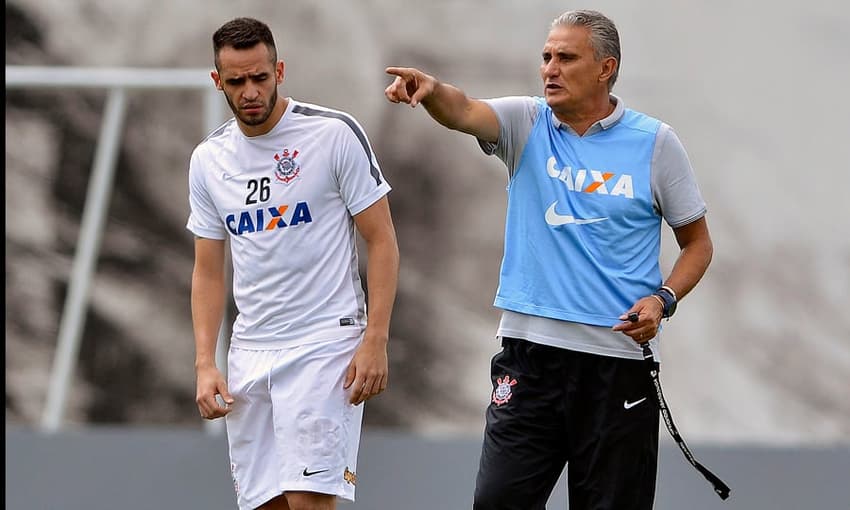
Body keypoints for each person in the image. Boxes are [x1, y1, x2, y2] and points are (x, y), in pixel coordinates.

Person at [385, 9, 713, 510]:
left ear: (606, 67)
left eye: (565, 57)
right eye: (545, 57)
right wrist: (430, 91)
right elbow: (464, 109)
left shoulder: (656, 144)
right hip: (529, 359)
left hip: (616, 365)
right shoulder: (527, 121)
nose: (549, 69)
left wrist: (663, 299)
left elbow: (698, 243)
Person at [187, 17, 399, 510]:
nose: (251, 91)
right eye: (237, 82)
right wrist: (204, 362)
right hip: (250, 350)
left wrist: (375, 339)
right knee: (267, 504)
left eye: (260, 77)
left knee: (309, 500)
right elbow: (208, 270)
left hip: (324, 342)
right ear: (219, 83)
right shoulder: (208, 159)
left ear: (279, 70)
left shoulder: (333, 134)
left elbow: (382, 240)